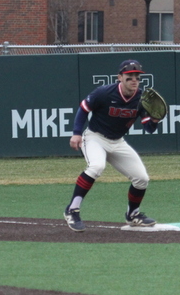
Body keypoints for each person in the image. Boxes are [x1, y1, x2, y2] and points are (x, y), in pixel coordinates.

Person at [63, 59, 162, 232]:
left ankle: (133, 214)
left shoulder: (141, 99)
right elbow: (84, 109)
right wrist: (76, 132)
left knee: (142, 179)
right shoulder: (104, 92)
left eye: (137, 77)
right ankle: (72, 209)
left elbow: (149, 128)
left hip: (117, 142)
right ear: (120, 77)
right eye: (129, 76)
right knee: (96, 166)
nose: (134, 80)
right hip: (95, 137)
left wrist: (155, 120)